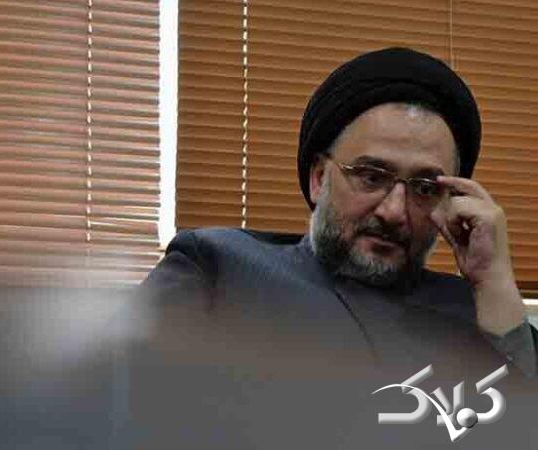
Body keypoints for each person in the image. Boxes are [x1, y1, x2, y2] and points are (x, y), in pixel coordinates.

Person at [138, 47, 537, 378]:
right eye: (371, 176)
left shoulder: (474, 311)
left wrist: (497, 288)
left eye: (424, 188)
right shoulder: (218, 268)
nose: (394, 212)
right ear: (318, 178)